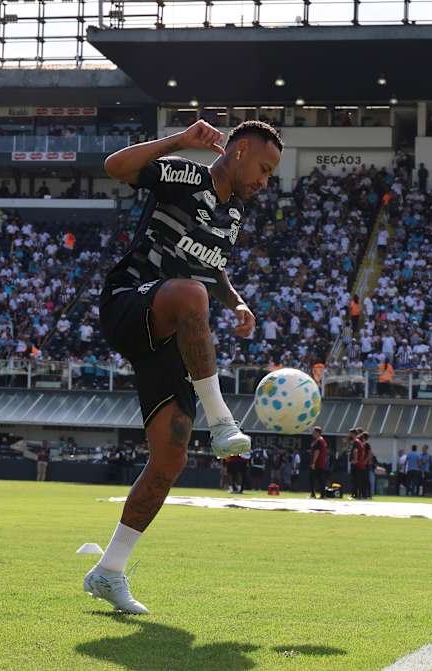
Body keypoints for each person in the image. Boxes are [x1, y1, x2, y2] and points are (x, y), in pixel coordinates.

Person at [84, 119, 283, 614]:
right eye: (264, 167)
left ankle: (108, 572)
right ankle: (222, 422)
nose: (265, 180)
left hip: (168, 332)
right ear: (238, 152)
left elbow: (210, 267)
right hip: (129, 303)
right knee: (190, 294)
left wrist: (236, 301)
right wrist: (179, 140)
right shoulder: (183, 175)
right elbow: (115, 167)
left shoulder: (233, 214)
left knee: (169, 460)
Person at [309, 426, 328, 499]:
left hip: (318, 463)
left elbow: (317, 452)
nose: (312, 433)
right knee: (320, 479)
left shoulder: (319, 441)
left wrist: (313, 463)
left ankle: (315, 494)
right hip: (320, 463)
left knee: (315, 479)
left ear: (317, 433)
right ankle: (321, 494)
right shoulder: (320, 440)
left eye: (314, 432)